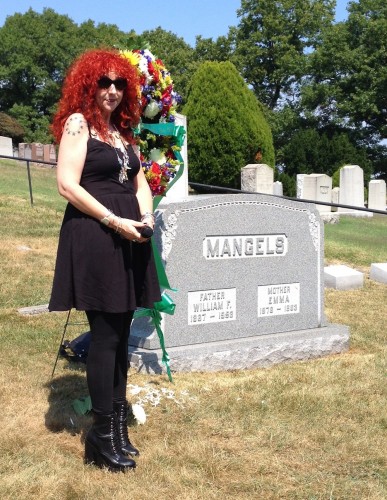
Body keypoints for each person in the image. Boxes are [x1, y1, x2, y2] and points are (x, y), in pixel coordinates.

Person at [49, 48, 161, 472]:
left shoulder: (122, 131)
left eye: (120, 84)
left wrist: (146, 216)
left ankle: (116, 428)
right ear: (88, 84)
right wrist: (115, 221)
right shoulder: (79, 125)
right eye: (104, 82)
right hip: (97, 235)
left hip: (130, 236)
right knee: (106, 336)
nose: (112, 91)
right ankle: (99, 435)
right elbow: (66, 185)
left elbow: (141, 185)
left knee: (121, 332)